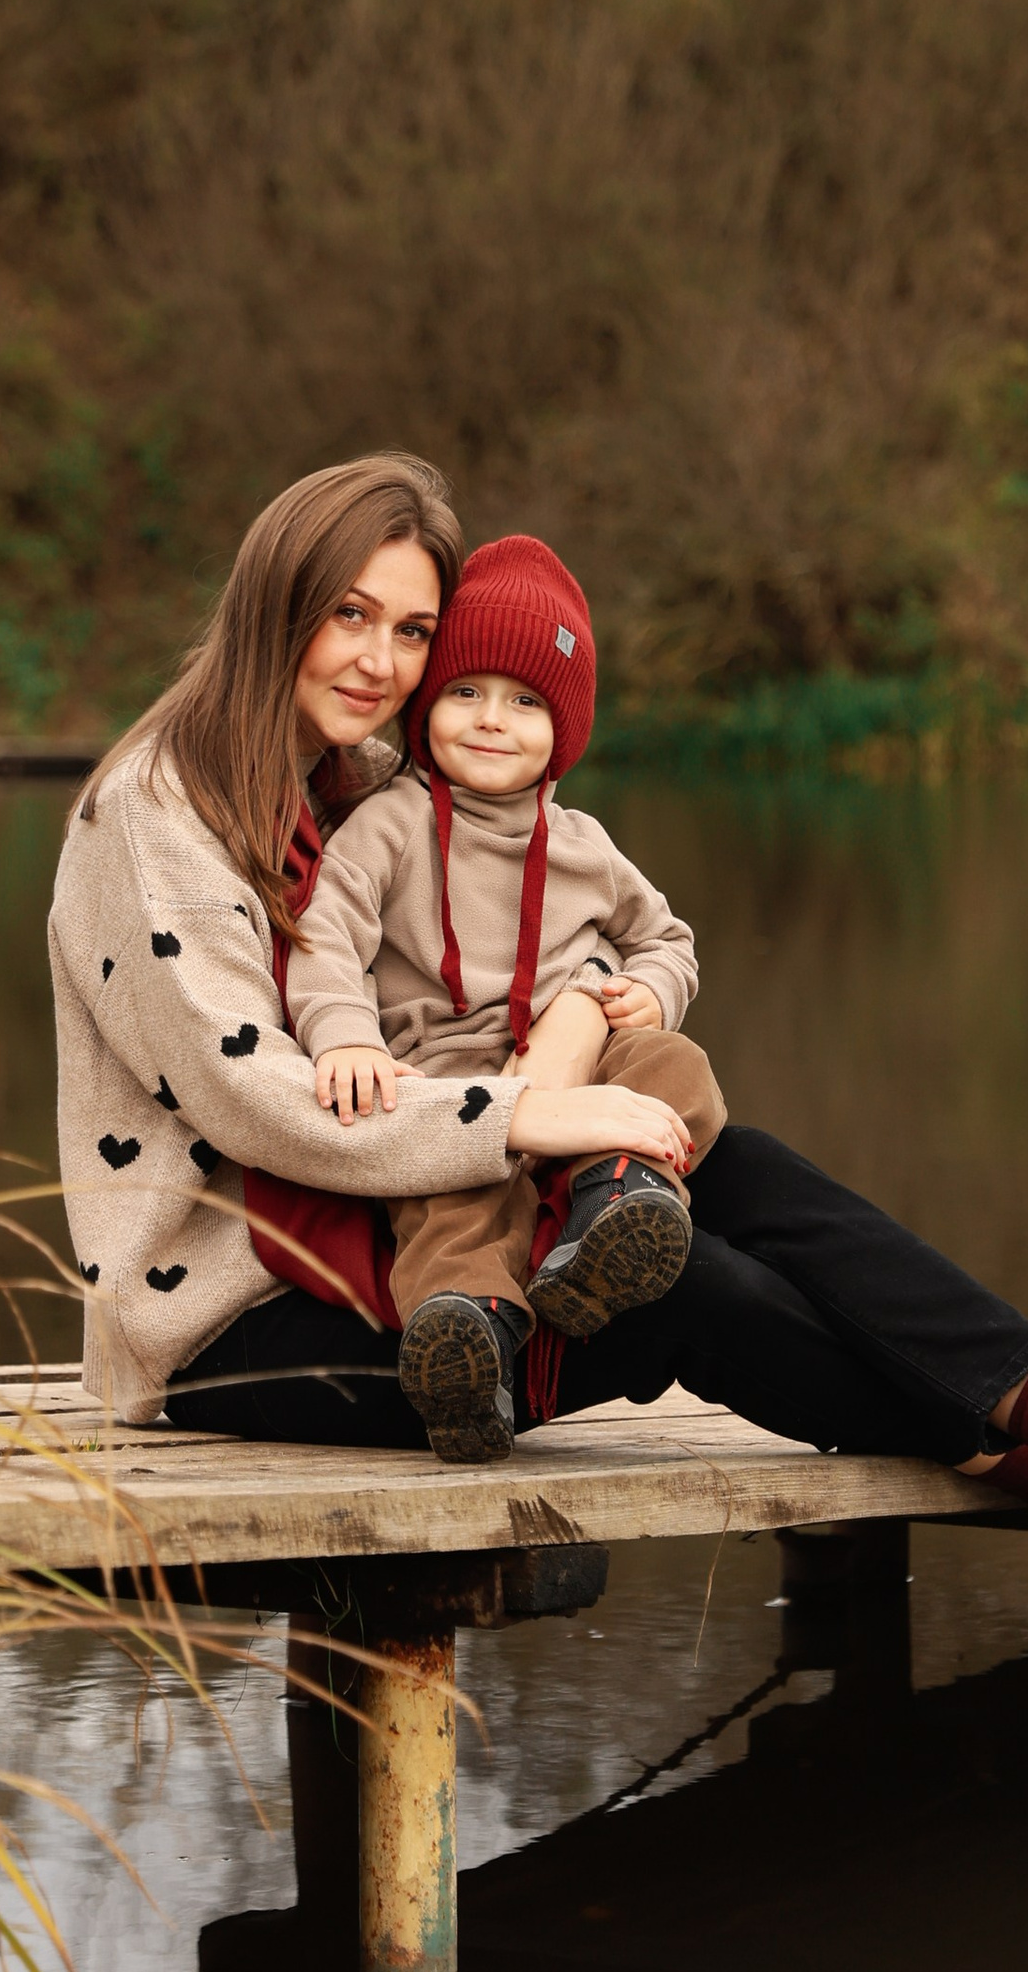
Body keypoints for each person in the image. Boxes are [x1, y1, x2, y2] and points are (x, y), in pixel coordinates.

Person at [48, 453, 1028, 1624]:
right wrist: (533, 1114)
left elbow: (550, 933)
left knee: (734, 1166)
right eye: (350, 615)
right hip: (241, 1332)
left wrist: (578, 1021)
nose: (382, 660)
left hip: (381, 1228)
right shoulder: (152, 813)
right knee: (686, 1283)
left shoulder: (355, 781)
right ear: (277, 605)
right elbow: (252, 1097)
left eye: (413, 630)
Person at [284, 531, 728, 1460]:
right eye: (466, 692)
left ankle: (618, 1217)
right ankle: (466, 1344)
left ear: (563, 730)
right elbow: (326, 936)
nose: (492, 720)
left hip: (576, 1073)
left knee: (676, 1067)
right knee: (450, 1216)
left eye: (526, 703)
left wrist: (648, 990)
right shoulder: (392, 824)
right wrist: (344, 1039)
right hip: (443, 1087)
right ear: (427, 707)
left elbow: (668, 939)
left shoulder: (583, 843)